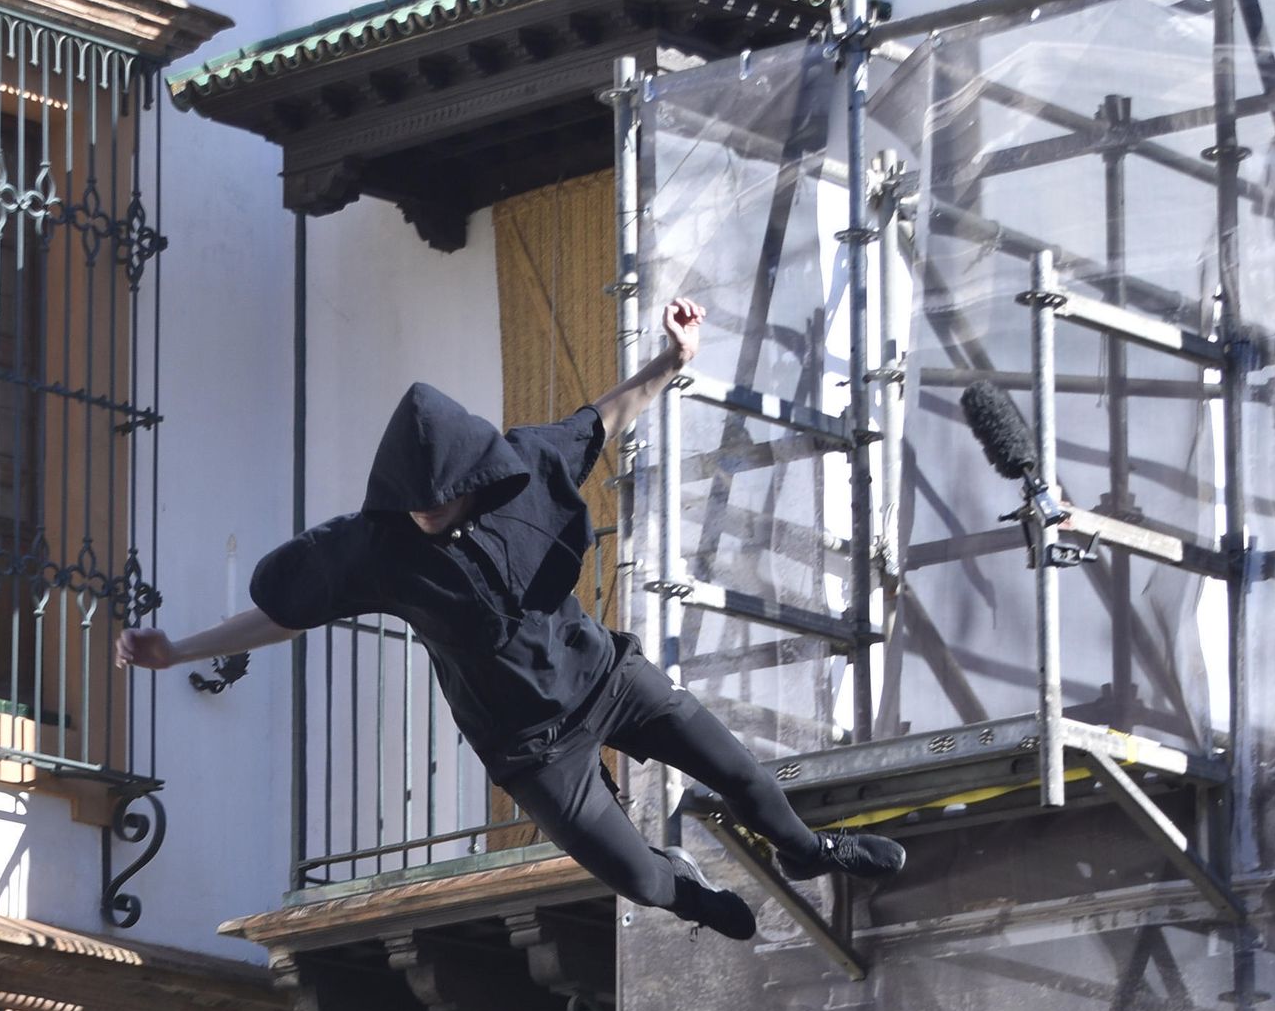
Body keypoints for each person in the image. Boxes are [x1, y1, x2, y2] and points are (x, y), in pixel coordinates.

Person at [116, 297, 905, 941]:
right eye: (415, 503)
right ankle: (688, 892)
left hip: (607, 678)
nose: (428, 513)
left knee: (743, 775)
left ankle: (807, 851)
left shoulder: (526, 467)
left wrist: (673, 359)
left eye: (443, 498)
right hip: (531, 746)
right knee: (637, 878)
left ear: (473, 477)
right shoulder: (370, 551)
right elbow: (281, 616)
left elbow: (603, 418)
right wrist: (177, 650)